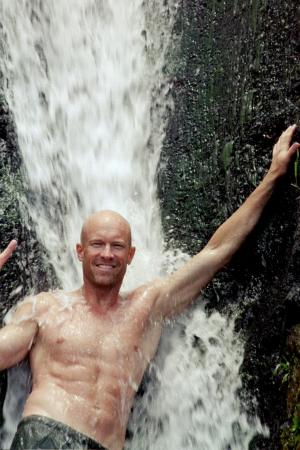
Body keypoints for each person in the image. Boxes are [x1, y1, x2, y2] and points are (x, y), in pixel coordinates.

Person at [0, 125, 299, 450]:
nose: (106, 254)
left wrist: (273, 176)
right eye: (97, 244)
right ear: (80, 251)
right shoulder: (43, 309)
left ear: (130, 255)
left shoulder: (148, 306)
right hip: (44, 437)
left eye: (117, 246)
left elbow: (215, 253)